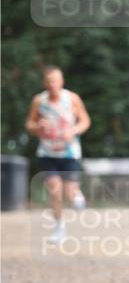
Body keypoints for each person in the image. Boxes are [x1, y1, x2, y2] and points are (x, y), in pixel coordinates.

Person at [25, 65, 91, 243]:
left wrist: (74, 130)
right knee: (55, 191)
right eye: (49, 81)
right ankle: (59, 229)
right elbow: (29, 123)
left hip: (69, 152)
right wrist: (37, 127)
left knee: (69, 192)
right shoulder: (39, 101)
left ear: (61, 81)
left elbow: (85, 120)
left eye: (55, 80)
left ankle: (77, 196)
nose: (53, 84)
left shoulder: (72, 98)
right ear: (44, 83)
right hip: (47, 152)